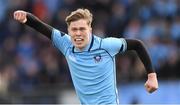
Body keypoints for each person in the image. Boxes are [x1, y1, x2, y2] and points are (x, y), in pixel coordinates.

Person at [13, 8, 158, 104]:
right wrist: (25, 17)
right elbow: (41, 26)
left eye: (82, 29)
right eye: (74, 29)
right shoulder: (66, 44)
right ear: (69, 31)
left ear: (90, 29)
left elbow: (137, 45)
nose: (78, 33)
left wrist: (152, 76)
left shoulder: (106, 45)